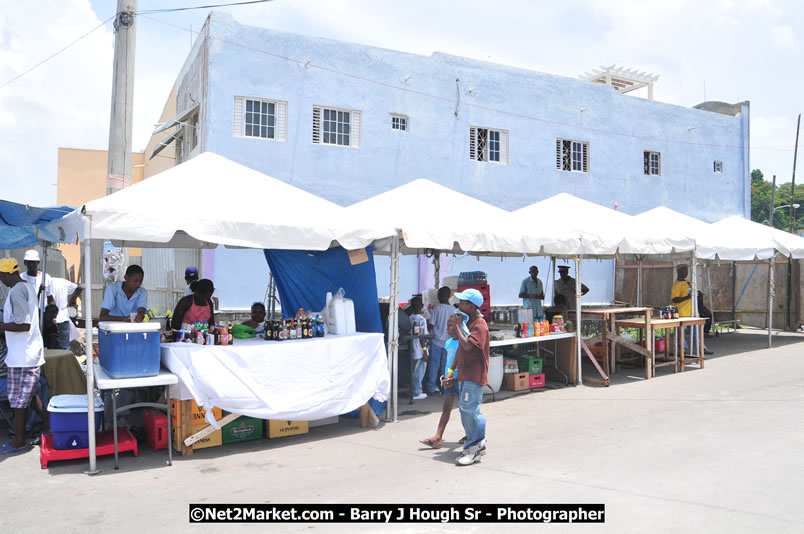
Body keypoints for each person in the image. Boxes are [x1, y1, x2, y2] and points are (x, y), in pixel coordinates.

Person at [0, 258, 48, 455]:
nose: (0, 279)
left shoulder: (17, 291)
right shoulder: (26, 287)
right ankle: (51, 427)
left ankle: (20, 441)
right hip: (26, 353)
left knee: (19, 401)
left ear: (7, 274)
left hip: (23, 355)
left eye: (1, 275)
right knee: (31, 396)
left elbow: (24, 325)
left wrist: (1, 327)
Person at [443, 288, 489, 466]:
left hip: (473, 375)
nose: (459, 305)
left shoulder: (479, 325)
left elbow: (468, 346)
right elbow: (461, 349)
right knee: (468, 410)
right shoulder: (469, 323)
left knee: (469, 410)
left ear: (471, 305)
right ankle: (477, 441)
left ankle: (473, 448)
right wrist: (451, 372)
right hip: (464, 374)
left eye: (462, 302)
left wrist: (458, 327)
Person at [419, 319, 462, 449]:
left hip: (460, 379)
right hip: (448, 380)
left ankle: (475, 435)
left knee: (466, 410)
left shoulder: (463, 343)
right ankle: (438, 437)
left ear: (458, 327)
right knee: (446, 409)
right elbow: (447, 363)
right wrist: (445, 377)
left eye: (450, 326)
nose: (447, 329)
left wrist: (456, 378)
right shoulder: (448, 343)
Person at [671, 265, 713, 355]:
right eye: (684, 271)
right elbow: (674, 299)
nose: (686, 273)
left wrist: (698, 294)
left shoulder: (689, 282)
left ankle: (701, 348)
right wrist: (688, 297)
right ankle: (683, 349)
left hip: (692, 312)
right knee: (681, 333)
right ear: (679, 272)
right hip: (682, 313)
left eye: (687, 271)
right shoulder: (676, 285)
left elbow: (693, 295)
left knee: (696, 333)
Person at [424, 286, 452, 395]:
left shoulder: (437, 309)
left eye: (439, 295)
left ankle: (431, 387)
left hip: (436, 342)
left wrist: (425, 331)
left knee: (433, 365)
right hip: (448, 342)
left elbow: (431, 324)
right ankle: (444, 387)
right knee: (445, 366)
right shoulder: (453, 310)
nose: (439, 297)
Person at [49, 277, 82, 350]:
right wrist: (73, 299)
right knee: (64, 348)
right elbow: (79, 288)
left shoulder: (44, 283)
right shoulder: (62, 282)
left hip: (50, 319)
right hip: (63, 318)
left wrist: (72, 299)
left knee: (49, 347)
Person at [408, 296, 429, 401]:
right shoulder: (421, 319)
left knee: (413, 370)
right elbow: (421, 336)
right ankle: (417, 391)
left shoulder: (410, 317)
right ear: (422, 306)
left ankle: (414, 390)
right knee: (419, 371)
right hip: (420, 348)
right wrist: (425, 350)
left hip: (412, 347)